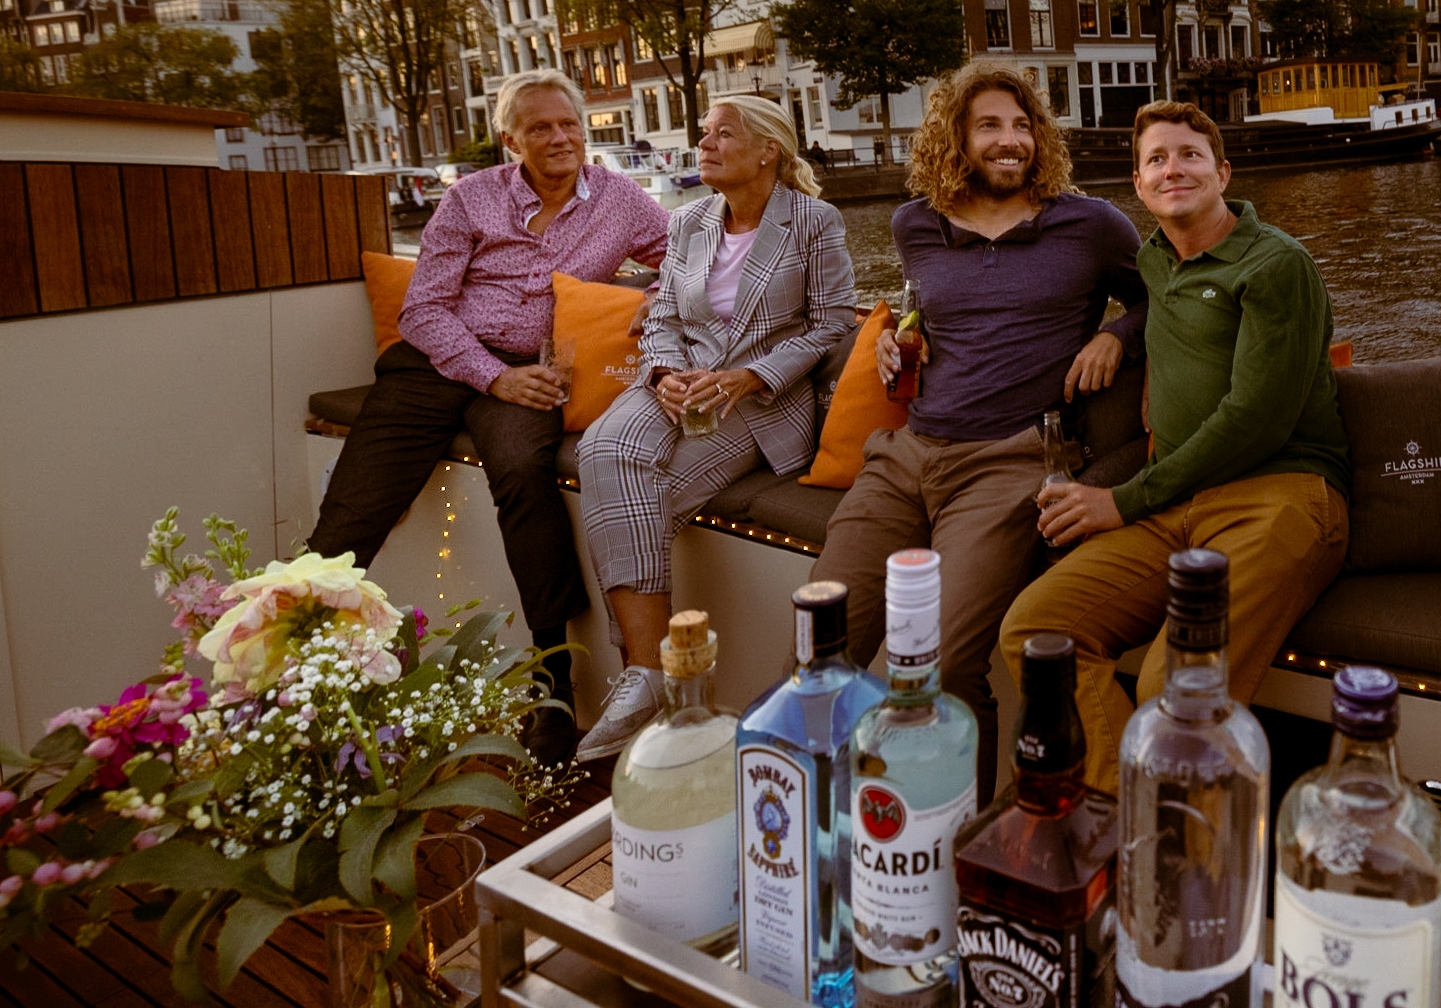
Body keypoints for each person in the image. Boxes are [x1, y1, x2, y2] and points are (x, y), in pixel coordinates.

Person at [308, 69, 670, 763]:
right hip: (438, 364)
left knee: (524, 481)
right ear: (511, 140)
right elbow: (423, 308)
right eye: (540, 128)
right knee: (352, 514)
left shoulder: (621, 201)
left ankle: (553, 689)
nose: (560, 138)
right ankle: (303, 683)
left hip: (536, 371)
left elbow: (691, 253)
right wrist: (493, 376)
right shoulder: (471, 199)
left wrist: (656, 293)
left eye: (568, 123)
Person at [810, 62, 1145, 802]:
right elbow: (933, 316)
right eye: (990, 125)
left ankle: (956, 848)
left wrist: (1120, 334)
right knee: (821, 640)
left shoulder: (1089, 225)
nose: (1011, 140)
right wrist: (900, 339)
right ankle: (814, 826)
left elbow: (1169, 295)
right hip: (904, 455)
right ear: (955, 136)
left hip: (1009, 462)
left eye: (1023, 126)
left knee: (941, 669)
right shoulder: (916, 225)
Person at [1002, 101, 1353, 794]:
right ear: (1139, 185)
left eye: (1189, 155)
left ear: (1222, 173)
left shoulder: (1276, 265)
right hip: (1178, 503)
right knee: (1037, 630)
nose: (1173, 169)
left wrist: (1122, 501)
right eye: (1156, 159)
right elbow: (1150, 310)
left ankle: (1173, 873)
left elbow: (1257, 419)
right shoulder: (1157, 260)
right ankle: (1122, 817)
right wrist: (1116, 335)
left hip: (1279, 497)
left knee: (1176, 688)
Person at [573, 96, 854, 761]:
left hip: (757, 402)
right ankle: (648, 675)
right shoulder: (690, 220)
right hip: (679, 381)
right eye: (704, 133)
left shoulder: (815, 222)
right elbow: (664, 309)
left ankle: (649, 684)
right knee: (602, 448)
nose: (704, 143)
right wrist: (666, 370)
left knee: (649, 497)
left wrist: (748, 377)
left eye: (722, 134)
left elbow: (834, 323)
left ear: (768, 152)